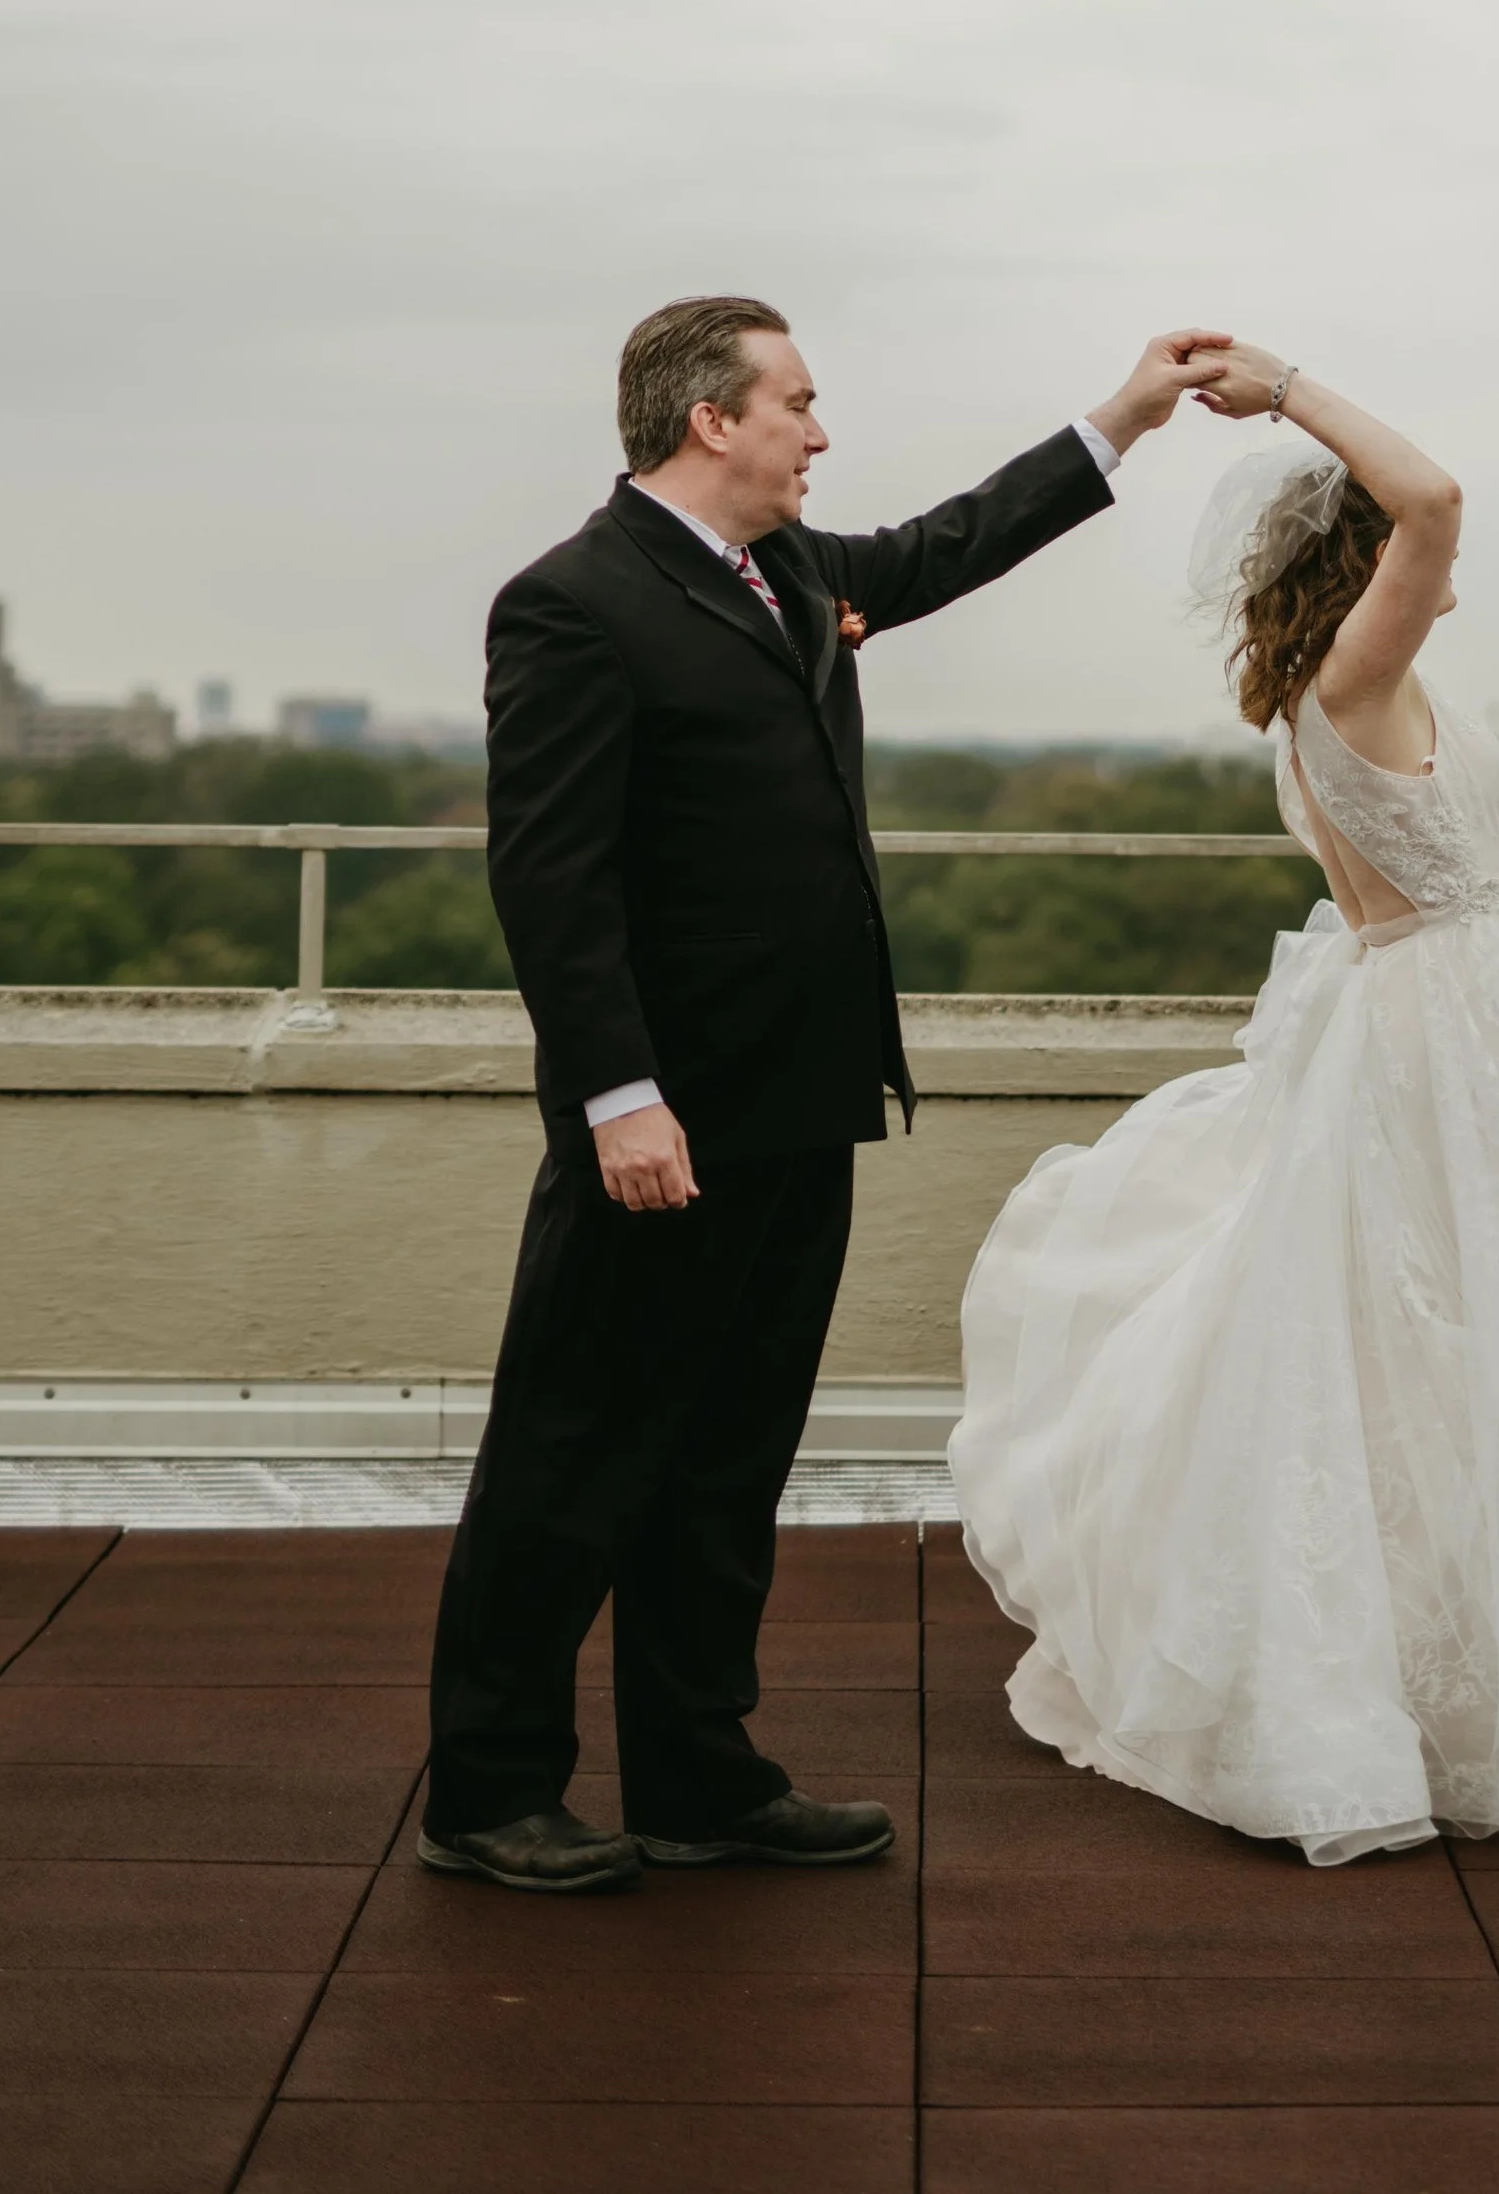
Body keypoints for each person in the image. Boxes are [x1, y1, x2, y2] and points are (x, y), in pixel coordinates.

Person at [952, 343, 1499, 1862]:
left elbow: (1437, 795)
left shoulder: (1341, 693)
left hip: (1424, 1011)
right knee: (1477, 1336)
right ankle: (1442, 1686)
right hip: (1452, 1027)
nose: (1441, 568)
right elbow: (1435, 491)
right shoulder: (1361, 667)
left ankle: (1475, 1659)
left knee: (1457, 1345)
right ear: (1371, 566)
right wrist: (1285, 384)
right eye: (1408, 556)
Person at [422, 292, 1228, 1891]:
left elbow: (946, 545)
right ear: (710, 419)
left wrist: (1123, 415)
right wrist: (618, 1098)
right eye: (796, 400)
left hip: (804, 1097)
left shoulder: (790, 573)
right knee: (573, 1454)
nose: (820, 427)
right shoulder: (573, 604)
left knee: (728, 1457)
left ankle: (698, 1775)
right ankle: (487, 1789)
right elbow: (554, 884)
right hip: (664, 1118)